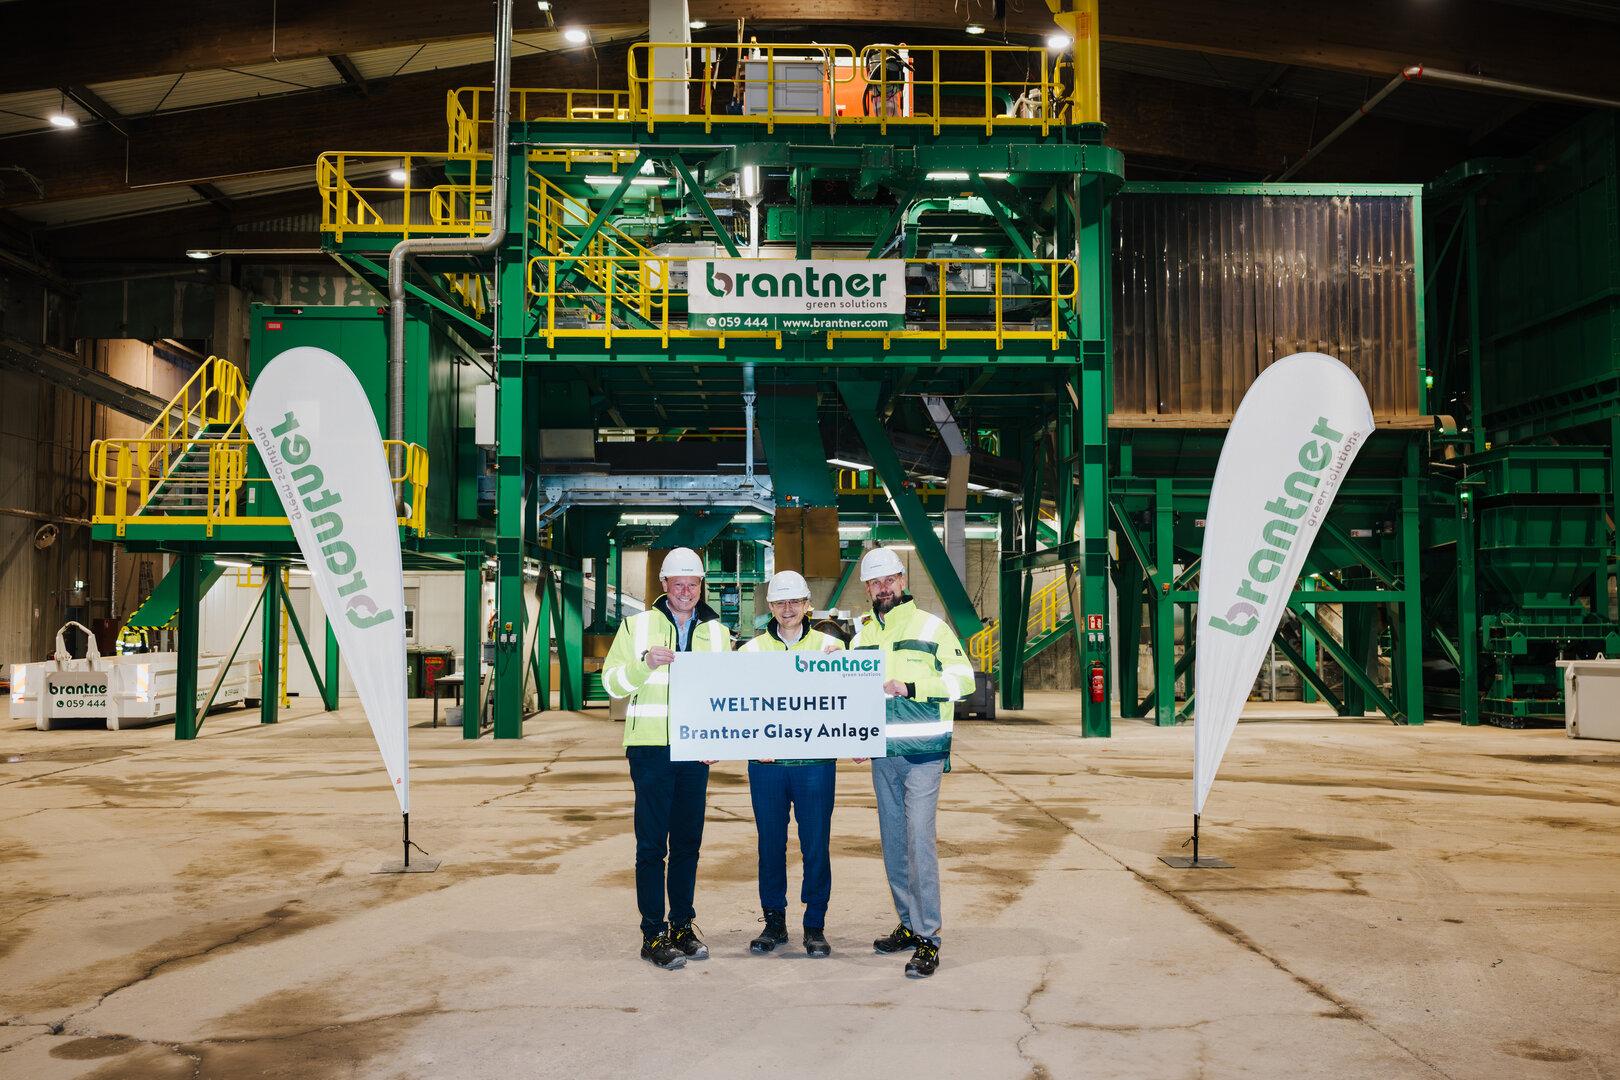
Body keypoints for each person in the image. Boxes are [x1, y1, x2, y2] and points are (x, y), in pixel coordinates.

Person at [601, 547, 732, 970]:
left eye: (693, 583)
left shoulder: (717, 632)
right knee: (652, 845)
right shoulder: (636, 626)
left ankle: (681, 926)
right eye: (678, 583)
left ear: (701, 586)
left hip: (696, 750)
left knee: (688, 845)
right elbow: (612, 683)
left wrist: (719, 738)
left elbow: (730, 691)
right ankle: (653, 932)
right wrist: (643, 664)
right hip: (652, 749)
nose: (686, 590)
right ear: (664, 586)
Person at [849, 546, 974, 978]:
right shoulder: (863, 633)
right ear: (867, 588)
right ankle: (906, 922)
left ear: (903, 580)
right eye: (875, 582)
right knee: (894, 841)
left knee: (919, 841)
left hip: (923, 752)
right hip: (883, 754)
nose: (883, 588)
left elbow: (962, 681)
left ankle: (928, 937)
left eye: (890, 580)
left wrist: (911, 685)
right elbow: (853, 694)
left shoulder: (932, 626)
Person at [739, 570, 844, 958]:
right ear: (770, 606)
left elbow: (846, 703)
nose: (787, 609)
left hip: (815, 764)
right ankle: (774, 922)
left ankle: (814, 925)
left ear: (807, 605)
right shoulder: (749, 653)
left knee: (816, 845)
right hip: (767, 766)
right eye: (780, 602)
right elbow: (735, 707)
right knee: (770, 845)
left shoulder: (830, 649)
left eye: (794, 602)